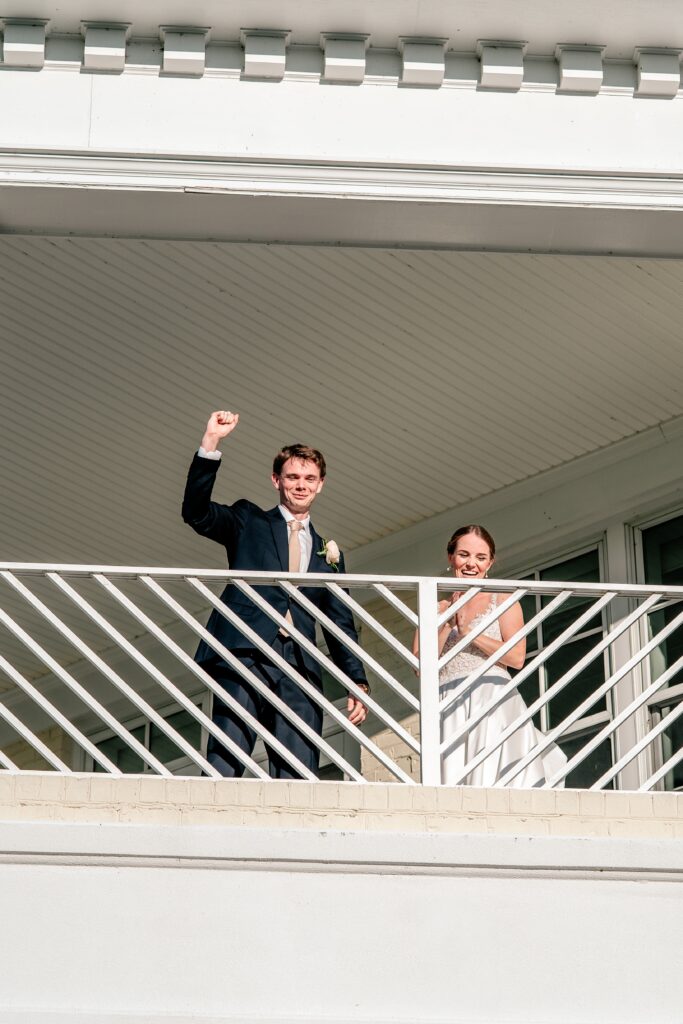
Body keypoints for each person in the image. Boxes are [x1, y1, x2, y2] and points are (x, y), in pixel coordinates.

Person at [182, 410, 369, 779]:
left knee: (298, 770)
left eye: (309, 478)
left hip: (299, 663)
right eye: (293, 477)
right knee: (227, 758)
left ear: (321, 485)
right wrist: (211, 443)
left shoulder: (329, 553)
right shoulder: (248, 521)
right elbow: (196, 513)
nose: (301, 485)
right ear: (276, 480)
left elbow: (339, 621)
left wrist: (356, 680)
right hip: (246, 650)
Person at [429, 525, 567, 787]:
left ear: (490, 562)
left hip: (490, 700)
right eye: (464, 555)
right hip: (447, 704)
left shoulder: (502, 598)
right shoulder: (435, 608)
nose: (471, 564)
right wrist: (448, 621)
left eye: (480, 558)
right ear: (451, 558)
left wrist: (468, 633)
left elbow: (516, 657)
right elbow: (421, 666)